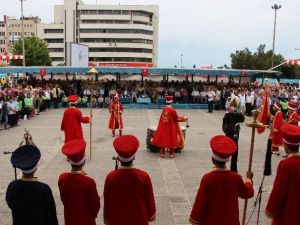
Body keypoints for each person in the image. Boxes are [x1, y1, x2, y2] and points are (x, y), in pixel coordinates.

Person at [189, 135, 254, 225]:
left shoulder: (207, 178)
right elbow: (247, 193)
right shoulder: (236, 177)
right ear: (226, 160)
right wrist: (249, 180)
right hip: (230, 221)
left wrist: (195, 219)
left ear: (213, 160)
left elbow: (200, 202)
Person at [103, 135, 156, 225]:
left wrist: (107, 217)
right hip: (139, 220)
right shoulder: (143, 176)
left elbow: (107, 200)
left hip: (117, 220)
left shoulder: (111, 177)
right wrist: (151, 213)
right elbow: (149, 199)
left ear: (118, 158)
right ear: (134, 157)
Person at [6, 145, 58, 225]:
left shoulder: (12, 186)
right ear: (36, 168)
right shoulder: (44, 189)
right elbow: (50, 215)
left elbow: (11, 204)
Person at [59, 139, 100, 225]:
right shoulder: (89, 182)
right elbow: (95, 206)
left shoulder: (62, 178)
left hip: (70, 219)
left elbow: (63, 199)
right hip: (86, 220)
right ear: (84, 162)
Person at [265, 124, 300, 225]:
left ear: (285, 145)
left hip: (288, 211)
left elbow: (279, 190)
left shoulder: (286, 164)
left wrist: (270, 210)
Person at [222, 99, 245, 172]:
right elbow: (242, 120)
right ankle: (234, 169)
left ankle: (223, 165)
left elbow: (224, 120)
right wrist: (241, 113)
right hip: (235, 132)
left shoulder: (228, 111)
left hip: (228, 131)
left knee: (225, 148)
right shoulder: (238, 112)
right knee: (235, 148)